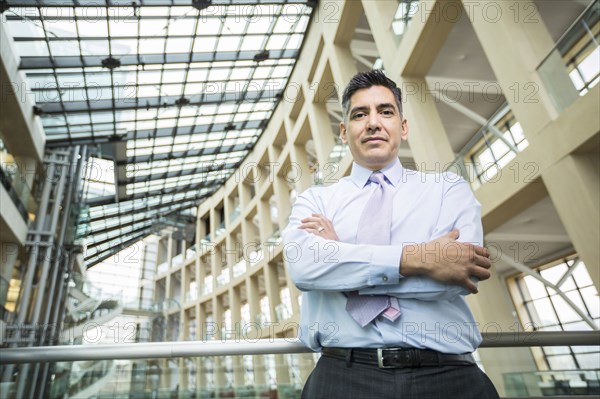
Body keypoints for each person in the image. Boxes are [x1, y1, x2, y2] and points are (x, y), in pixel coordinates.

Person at [281, 70, 499, 399]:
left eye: (385, 111)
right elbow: (304, 269)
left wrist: (340, 258)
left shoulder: (447, 189)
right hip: (342, 378)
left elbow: (459, 274)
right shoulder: (315, 200)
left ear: (403, 126)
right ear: (344, 131)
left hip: (450, 377)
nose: (373, 123)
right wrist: (415, 258)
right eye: (359, 114)